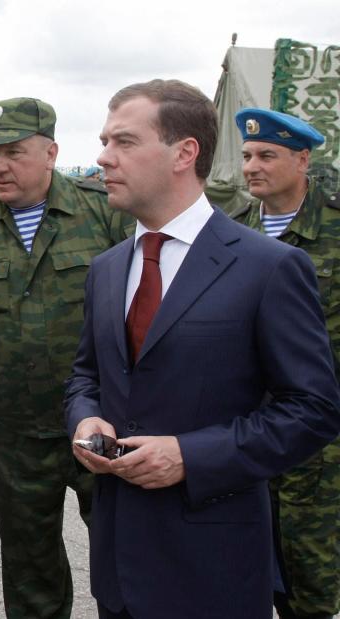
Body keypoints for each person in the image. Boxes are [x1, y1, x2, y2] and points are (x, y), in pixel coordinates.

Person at [66, 79, 340, 619]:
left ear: (184, 153)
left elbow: (314, 410)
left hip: (213, 566)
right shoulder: (107, 268)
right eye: (104, 141)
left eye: (124, 142)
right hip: (118, 563)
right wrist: (86, 419)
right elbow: (85, 376)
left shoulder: (268, 267)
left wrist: (191, 457)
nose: (103, 157)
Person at [0, 97, 131, 618]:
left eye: (13, 152)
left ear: (50, 153)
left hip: (101, 422)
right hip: (17, 431)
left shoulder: (104, 211)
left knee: (124, 558)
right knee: (28, 563)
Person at [230, 107, 340, 619]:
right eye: (248, 155)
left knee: (310, 578)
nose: (252, 165)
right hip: (247, 430)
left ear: (302, 160)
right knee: (245, 569)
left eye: (267, 155)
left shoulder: (335, 229)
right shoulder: (230, 236)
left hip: (321, 441)